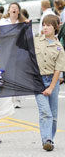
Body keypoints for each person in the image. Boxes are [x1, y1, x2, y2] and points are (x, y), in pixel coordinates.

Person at [34, 15, 65, 151]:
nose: (45, 28)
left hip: (52, 81)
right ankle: (46, 139)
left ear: (55, 28)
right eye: (44, 25)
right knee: (45, 112)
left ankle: (50, 139)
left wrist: (51, 88)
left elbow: (58, 70)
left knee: (53, 114)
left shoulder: (59, 48)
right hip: (38, 81)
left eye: (48, 25)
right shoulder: (35, 40)